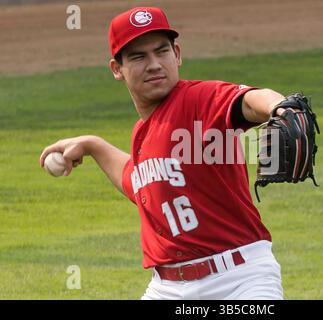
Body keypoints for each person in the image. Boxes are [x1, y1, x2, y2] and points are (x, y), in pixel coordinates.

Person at [40, 7, 287, 300]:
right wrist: (94, 145)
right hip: (168, 288)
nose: (154, 64)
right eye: (138, 57)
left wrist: (281, 107)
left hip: (240, 279)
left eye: (162, 51)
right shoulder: (142, 133)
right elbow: (138, 180)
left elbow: (247, 101)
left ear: (177, 54)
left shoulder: (198, 100)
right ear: (117, 69)